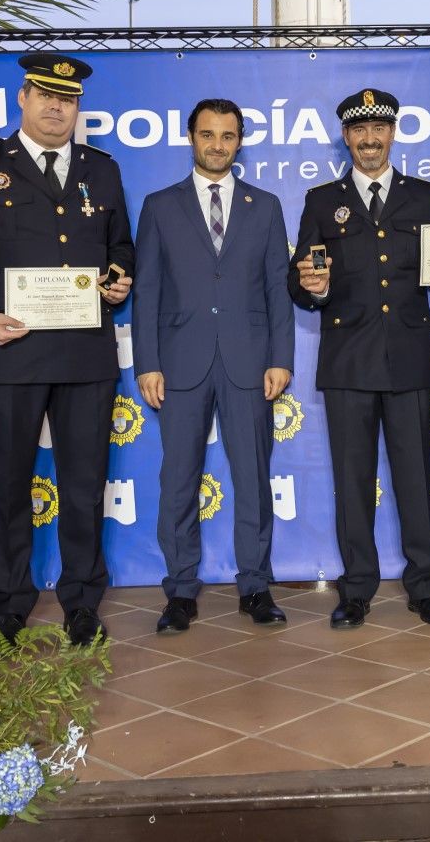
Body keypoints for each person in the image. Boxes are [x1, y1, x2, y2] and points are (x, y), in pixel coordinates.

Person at [0, 53, 133, 647]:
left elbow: (120, 245)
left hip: (84, 356)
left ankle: (81, 602)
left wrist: (120, 276)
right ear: (22, 98)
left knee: (84, 485)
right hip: (7, 352)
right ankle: (11, 603)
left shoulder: (103, 169)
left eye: (66, 99)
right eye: (44, 95)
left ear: (78, 107)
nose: (55, 107)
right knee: (8, 483)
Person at [288, 88, 430, 630]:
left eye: (380, 129)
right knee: (352, 482)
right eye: (359, 130)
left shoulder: (424, 197)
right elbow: (300, 281)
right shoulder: (321, 201)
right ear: (346, 137)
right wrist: (312, 287)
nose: (370, 140)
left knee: (416, 479)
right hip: (348, 361)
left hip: (410, 359)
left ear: (393, 134)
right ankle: (356, 590)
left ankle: (426, 588)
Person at [132, 98, 295, 634]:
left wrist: (281, 358)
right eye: (207, 134)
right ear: (190, 137)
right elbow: (148, 290)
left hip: (250, 362)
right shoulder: (159, 206)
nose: (217, 145)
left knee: (252, 477)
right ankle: (179, 591)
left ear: (240, 140)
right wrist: (147, 362)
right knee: (177, 479)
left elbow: (278, 288)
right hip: (179, 363)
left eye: (227, 135)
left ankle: (256, 586)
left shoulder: (265, 205)